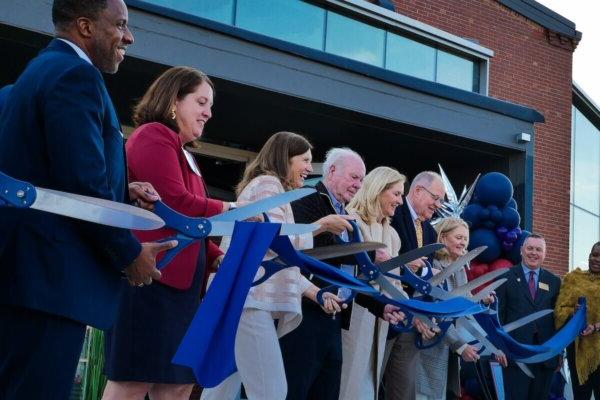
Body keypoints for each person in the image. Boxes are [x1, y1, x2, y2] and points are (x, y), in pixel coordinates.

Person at [0, 1, 175, 398]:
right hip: (47, 284)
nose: (128, 37)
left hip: (29, 278)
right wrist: (129, 254)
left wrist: (121, 189)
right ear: (84, 26)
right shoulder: (75, 75)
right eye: (120, 25)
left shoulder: (41, 70)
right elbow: (81, 183)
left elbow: (50, 166)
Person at [102, 67, 234, 399]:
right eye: (201, 102)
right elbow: (174, 202)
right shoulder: (153, 135)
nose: (209, 112)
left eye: (211, 105)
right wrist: (233, 209)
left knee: (178, 386)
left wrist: (217, 258)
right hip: (149, 279)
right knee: (133, 381)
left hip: (183, 287)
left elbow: (193, 228)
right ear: (174, 100)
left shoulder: (186, 153)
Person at [201, 132, 345, 400]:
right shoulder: (269, 185)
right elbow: (278, 243)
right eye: (304, 160)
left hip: (241, 297)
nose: (308, 168)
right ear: (285, 158)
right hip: (250, 301)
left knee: (221, 389)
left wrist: (315, 292)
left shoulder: (266, 187)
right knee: (271, 391)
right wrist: (320, 226)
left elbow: (274, 260)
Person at [279, 148, 405, 400]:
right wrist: (368, 255)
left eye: (361, 179)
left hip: (333, 320)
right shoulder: (306, 199)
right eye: (354, 177)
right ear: (332, 171)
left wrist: (380, 306)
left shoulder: (347, 215)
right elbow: (313, 252)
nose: (359, 185)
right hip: (304, 315)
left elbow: (347, 275)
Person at [339, 166, 417, 400]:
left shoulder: (392, 235)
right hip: (353, 317)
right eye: (396, 194)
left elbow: (395, 285)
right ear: (377, 190)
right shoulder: (352, 222)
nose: (400, 201)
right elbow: (344, 274)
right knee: (347, 384)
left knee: (367, 388)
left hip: (380, 322)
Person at [385, 171, 446, 400]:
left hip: (413, 323)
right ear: (418, 190)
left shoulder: (429, 231)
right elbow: (385, 261)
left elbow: (425, 279)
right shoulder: (393, 213)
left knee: (403, 391)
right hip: (386, 313)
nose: (438, 205)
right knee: (368, 384)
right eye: (436, 198)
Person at [415, 217, 482, 400]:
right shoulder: (435, 267)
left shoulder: (459, 269)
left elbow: (462, 305)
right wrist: (460, 345)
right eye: (458, 237)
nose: (463, 243)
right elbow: (438, 311)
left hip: (447, 351)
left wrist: (482, 301)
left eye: (466, 239)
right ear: (443, 238)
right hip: (430, 349)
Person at [495, 234, 561, 400]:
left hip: (545, 356)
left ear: (545, 254)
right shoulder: (505, 277)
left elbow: (558, 320)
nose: (534, 253)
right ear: (521, 251)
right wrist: (499, 347)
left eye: (539, 249)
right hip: (515, 355)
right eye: (530, 248)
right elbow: (497, 317)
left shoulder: (554, 281)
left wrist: (560, 353)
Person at [555, 241, 600, 400]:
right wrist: (572, 312)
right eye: (595, 255)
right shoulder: (573, 278)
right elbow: (559, 310)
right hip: (577, 350)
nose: (597, 259)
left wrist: (595, 327)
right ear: (589, 256)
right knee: (581, 396)